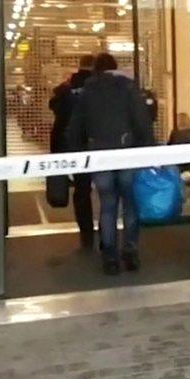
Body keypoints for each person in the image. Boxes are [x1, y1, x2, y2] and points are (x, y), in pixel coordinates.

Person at [67, 53, 154, 275]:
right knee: (130, 204)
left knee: (107, 206)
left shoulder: (89, 90)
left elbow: (76, 125)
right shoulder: (128, 87)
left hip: (98, 154)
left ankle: (110, 258)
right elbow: (141, 119)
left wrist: (75, 155)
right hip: (126, 153)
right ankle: (131, 252)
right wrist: (148, 147)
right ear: (115, 67)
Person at [49, 55, 95, 249]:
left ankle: (86, 234)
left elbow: (55, 108)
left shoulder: (66, 87)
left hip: (72, 145)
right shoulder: (99, 87)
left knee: (82, 190)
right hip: (96, 142)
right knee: (108, 188)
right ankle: (108, 230)